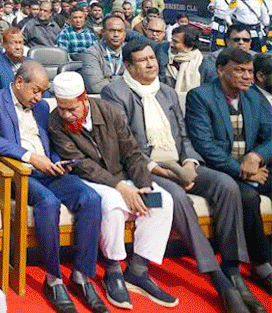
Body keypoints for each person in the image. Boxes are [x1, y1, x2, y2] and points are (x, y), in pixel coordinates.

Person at [102, 42, 259, 313]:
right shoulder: (115, 92)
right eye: (143, 60)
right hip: (144, 167)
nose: (151, 64)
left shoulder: (167, 92)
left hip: (179, 161)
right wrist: (163, 170)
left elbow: (184, 135)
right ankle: (217, 278)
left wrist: (188, 161)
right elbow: (123, 144)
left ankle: (232, 267)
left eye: (152, 58)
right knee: (176, 197)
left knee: (227, 185)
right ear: (128, 65)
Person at [0, 61, 106, 313]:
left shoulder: (39, 108)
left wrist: (59, 163)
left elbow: (48, 144)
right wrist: (28, 156)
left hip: (46, 169)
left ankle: (81, 275)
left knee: (91, 198)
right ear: (19, 83)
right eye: (36, 90)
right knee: (48, 202)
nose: (40, 97)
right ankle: (53, 278)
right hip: (16, 173)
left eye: (43, 92)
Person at [48, 71, 177, 310]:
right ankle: (113, 269)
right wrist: (120, 188)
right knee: (112, 205)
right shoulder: (56, 122)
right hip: (89, 181)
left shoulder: (108, 111)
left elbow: (132, 151)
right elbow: (82, 166)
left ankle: (138, 269)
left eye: (71, 109)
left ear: (84, 98)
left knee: (163, 201)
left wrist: (143, 185)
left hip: (123, 176)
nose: (66, 114)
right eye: (61, 108)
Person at [186, 47, 272, 294]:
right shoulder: (200, 96)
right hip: (220, 169)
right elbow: (205, 145)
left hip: (253, 165)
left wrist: (256, 156)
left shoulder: (254, 97)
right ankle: (260, 263)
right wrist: (242, 170)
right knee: (247, 196)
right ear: (221, 70)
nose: (247, 76)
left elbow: (270, 136)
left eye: (250, 71)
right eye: (240, 70)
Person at [80, 15, 127, 94]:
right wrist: (125, 80)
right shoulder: (91, 53)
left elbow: (140, 81)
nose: (116, 35)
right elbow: (95, 87)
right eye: (112, 31)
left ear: (124, 34)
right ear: (103, 32)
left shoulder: (131, 51)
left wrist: (108, 79)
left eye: (120, 31)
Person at [0, 27, 29, 95]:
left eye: (20, 43)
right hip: (5, 104)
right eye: (13, 43)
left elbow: (41, 89)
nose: (18, 47)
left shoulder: (31, 63)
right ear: (4, 45)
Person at [164, 25, 203, 92]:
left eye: (175, 42)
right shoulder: (163, 54)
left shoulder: (201, 65)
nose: (171, 44)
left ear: (189, 45)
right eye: (172, 40)